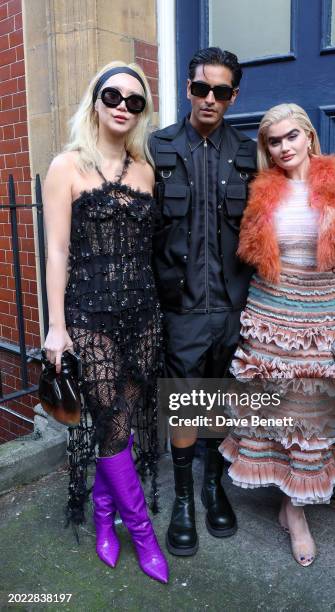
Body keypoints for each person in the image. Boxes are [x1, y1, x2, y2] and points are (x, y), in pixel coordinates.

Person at [220, 103, 335, 567]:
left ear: (308, 136)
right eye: (274, 141)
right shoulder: (263, 193)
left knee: (311, 420)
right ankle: (288, 501)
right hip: (268, 320)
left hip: (321, 320)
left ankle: (296, 510)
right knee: (277, 417)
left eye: (290, 137)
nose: (283, 148)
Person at [43, 61, 168, 583]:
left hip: (143, 315)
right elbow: (56, 249)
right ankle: (141, 534)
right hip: (89, 315)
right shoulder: (67, 167)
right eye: (113, 96)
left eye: (135, 101)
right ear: (95, 101)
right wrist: (56, 326)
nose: (123, 106)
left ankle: (102, 513)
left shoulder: (146, 170)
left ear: (142, 113)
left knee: (120, 420)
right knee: (112, 423)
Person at [149, 47, 258, 556]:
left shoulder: (249, 153)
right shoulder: (158, 147)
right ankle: (185, 501)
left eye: (220, 91)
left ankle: (215, 488)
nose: (208, 98)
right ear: (188, 88)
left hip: (233, 305)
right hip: (182, 307)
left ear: (233, 97)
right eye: (200, 88)